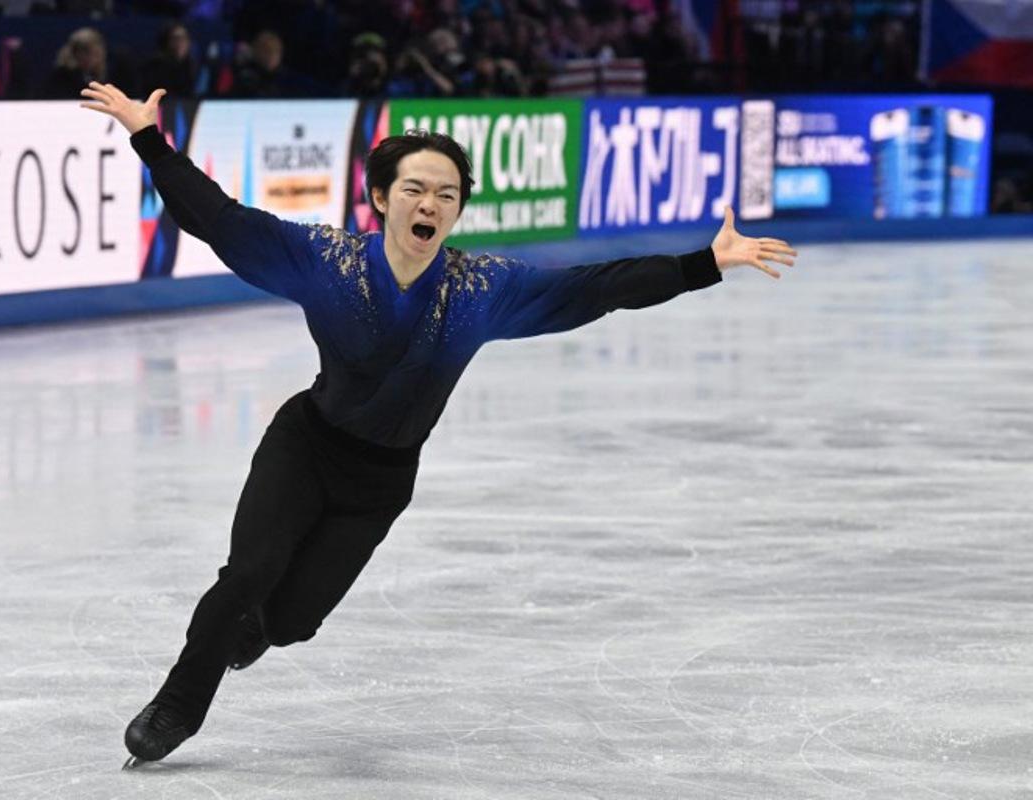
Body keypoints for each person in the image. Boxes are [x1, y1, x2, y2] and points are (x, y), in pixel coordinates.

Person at [78, 81, 797, 767]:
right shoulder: (325, 262)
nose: (430, 204)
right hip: (305, 447)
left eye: (446, 195)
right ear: (381, 198)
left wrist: (705, 263)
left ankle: (258, 628)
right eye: (415, 189)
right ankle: (176, 708)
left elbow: (593, 290)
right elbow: (219, 220)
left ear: (457, 211)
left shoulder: (482, 290)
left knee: (291, 622)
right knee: (247, 574)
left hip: (379, 483)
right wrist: (149, 139)